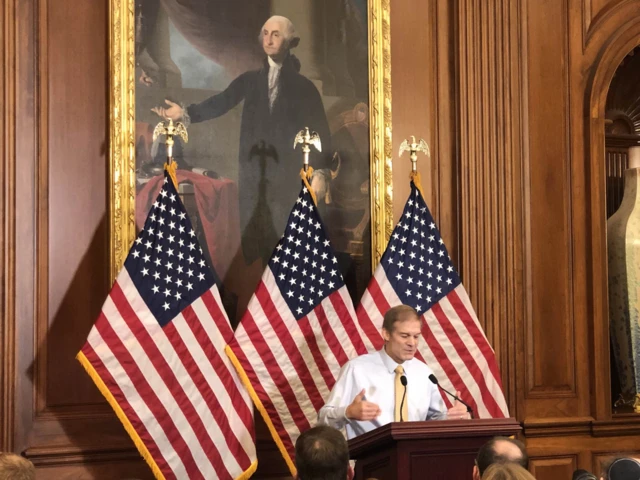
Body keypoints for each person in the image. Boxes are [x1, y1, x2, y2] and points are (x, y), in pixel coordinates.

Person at [152, 15, 332, 266]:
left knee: (288, 253)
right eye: (266, 33)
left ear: (290, 42)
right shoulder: (250, 81)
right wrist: (184, 113)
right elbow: (222, 101)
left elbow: (321, 133)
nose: (268, 39)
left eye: (276, 34)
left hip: (288, 184)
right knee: (257, 253)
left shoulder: (305, 89)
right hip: (255, 183)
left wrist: (321, 172)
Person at [317, 305, 469, 439]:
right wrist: (348, 412)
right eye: (404, 336)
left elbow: (435, 419)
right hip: (372, 463)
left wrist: (453, 418)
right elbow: (323, 420)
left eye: (416, 336)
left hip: (416, 459)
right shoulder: (356, 369)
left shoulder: (424, 373)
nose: (412, 343)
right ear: (386, 334)